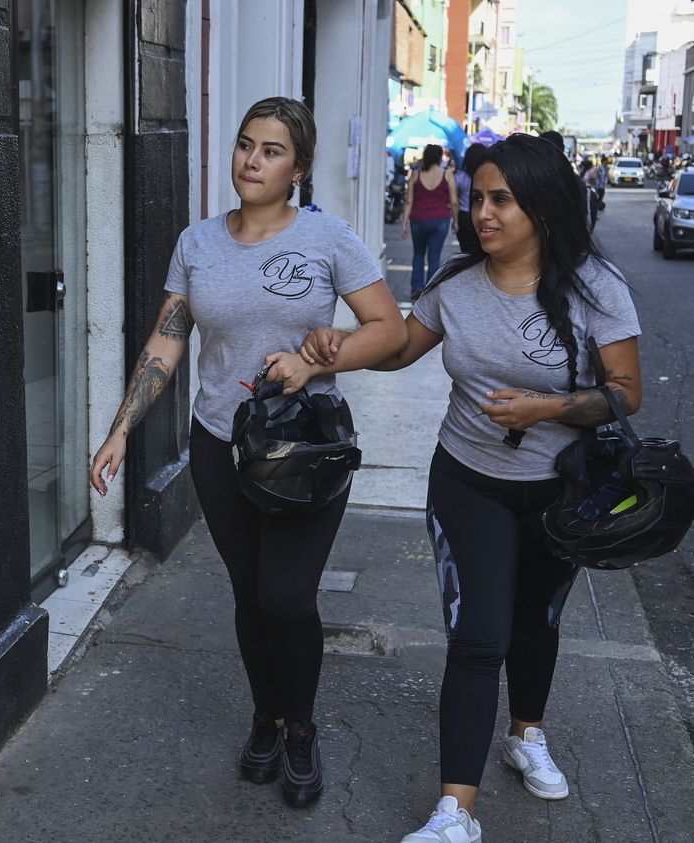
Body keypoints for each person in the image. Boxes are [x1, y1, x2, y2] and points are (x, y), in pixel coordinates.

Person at [299, 133, 642, 842]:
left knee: (534, 621)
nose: (482, 213)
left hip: (560, 492)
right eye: (476, 198)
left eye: (500, 200)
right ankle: (458, 809)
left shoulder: (595, 287)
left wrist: (545, 408)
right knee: (478, 635)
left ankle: (527, 732)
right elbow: (399, 347)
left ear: (541, 208)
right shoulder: (456, 284)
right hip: (468, 482)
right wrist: (341, 347)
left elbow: (626, 392)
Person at [89, 97, 406, 811]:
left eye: (270, 150)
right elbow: (168, 340)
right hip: (220, 444)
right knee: (247, 593)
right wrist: (121, 428)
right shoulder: (197, 242)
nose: (251, 160)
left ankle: (301, 726)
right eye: (244, 145)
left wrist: (320, 357)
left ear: (297, 168)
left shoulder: (328, 240)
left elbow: (387, 329)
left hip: (305, 446)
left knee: (285, 596)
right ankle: (266, 715)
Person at [403, 144, 459, 300]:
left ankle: (416, 287)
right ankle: (430, 290)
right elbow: (454, 201)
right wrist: (456, 221)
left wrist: (404, 223)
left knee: (418, 253)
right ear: (440, 157)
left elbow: (409, 200)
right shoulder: (447, 174)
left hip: (418, 220)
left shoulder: (415, 175)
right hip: (440, 221)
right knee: (434, 257)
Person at [455, 143, 487, 252]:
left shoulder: (460, 177)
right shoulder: (487, 177)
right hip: (482, 214)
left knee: (465, 250)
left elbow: (456, 198)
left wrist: (455, 220)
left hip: (463, 215)